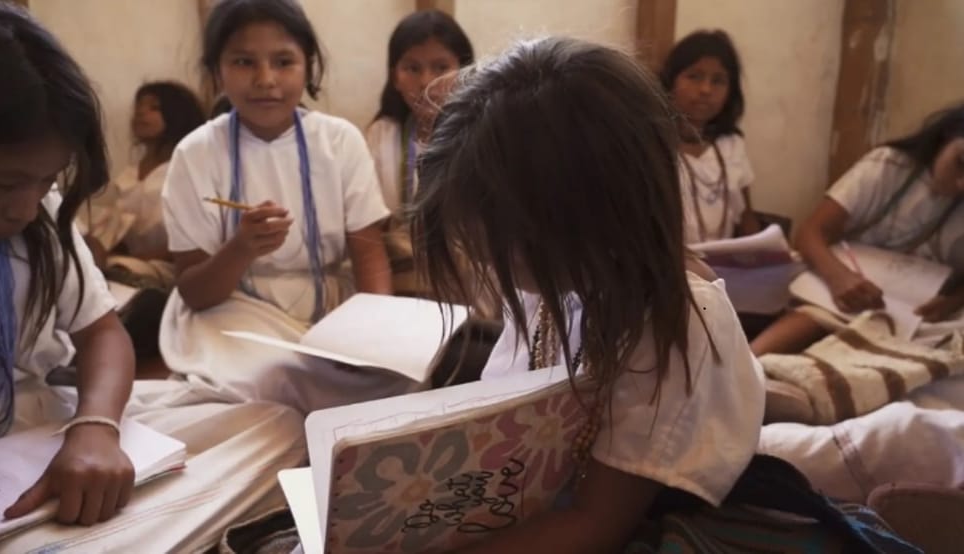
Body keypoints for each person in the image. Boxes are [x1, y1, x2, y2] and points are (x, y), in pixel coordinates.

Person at [0, 3, 304, 550]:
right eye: (5, 184)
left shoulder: (43, 211)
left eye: (47, 180)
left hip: (59, 423)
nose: (27, 207)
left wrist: (96, 427)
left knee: (282, 426)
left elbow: (101, 331)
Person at [411, 37, 764, 552]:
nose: (483, 258)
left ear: (576, 217)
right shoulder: (560, 277)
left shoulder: (675, 319)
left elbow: (594, 526)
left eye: (493, 239)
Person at [159, 0, 411, 411]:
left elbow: (369, 255)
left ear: (308, 67)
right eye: (243, 61)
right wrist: (242, 248)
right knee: (270, 380)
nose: (265, 79)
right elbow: (194, 292)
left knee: (398, 377)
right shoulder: (195, 153)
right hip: (231, 312)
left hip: (329, 302)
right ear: (216, 71)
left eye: (283, 61)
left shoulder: (339, 141)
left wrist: (373, 331)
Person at [752, 102, 964, 355]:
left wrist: (954, 299)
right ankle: (738, 374)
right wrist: (839, 278)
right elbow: (811, 233)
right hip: (848, 282)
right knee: (814, 318)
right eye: (961, 163)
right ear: (947, 136)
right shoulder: (889, 165)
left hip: (919, 309)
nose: (962, 184)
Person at [364, 10, 473, 295]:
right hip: (400, 277)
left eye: (441, 68)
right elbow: (370, 222)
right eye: (412, 68)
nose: (426, 82)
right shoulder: (381, 135)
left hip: (468, 281)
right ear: (395, 77)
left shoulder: (480, 135)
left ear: (464, 72)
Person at [80, 81, 205, 290]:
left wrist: (128, 258)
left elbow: (193, 241)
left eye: (153, 108)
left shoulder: (187, 172)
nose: (140, 113)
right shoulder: (128, 175)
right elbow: (120, 231)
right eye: (139, 107)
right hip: (125, 260)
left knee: (114, 274)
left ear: (178, 117)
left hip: (168, 267)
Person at [660, 29, 761, 244]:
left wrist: (761, 254)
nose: (706, 89)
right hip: (672, 267)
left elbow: (746, 218)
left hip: (723, 269)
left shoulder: (732, 145)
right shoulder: (654, 145)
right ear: (669, 82)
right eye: (694, 76)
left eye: (718, 81)